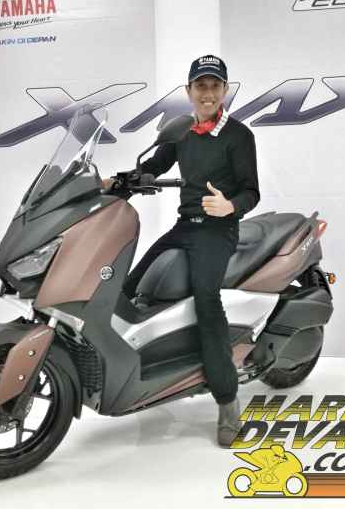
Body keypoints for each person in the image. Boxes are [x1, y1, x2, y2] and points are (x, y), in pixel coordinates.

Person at [104, 55, 260, 446]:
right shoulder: (181, 130)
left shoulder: (239, 135)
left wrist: (229, 206)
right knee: (128, 286)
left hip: (217, 230)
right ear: (189, 91)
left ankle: (227, 399)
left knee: (207, 300)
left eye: (215, 86)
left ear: (225, 90)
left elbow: (251, 191)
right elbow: (154, 166)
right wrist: (113, 183)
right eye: (200, 86)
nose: (208, 93)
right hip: (185, 227)